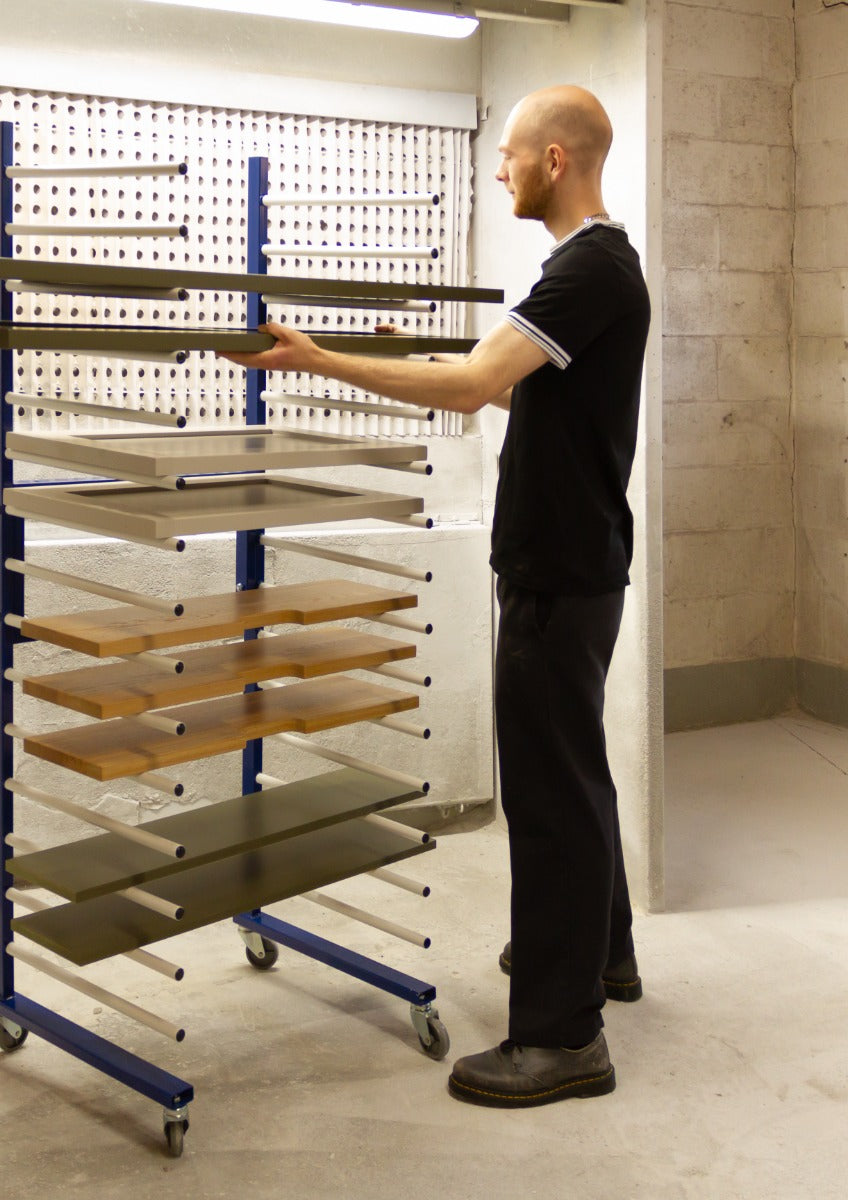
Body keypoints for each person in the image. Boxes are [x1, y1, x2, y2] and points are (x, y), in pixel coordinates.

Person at [221, 84, 651, 1108]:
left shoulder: (587, 268)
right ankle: (603, 956)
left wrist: (321, 361)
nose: (498, 171)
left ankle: (562, 1036)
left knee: (547, 797)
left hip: (555, 574)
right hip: (574, 565)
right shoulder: (592, 268)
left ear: (554, 159)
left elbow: (471, 389)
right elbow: (502, 379)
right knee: (575, 769)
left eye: (508, 155)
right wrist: (406, 356)